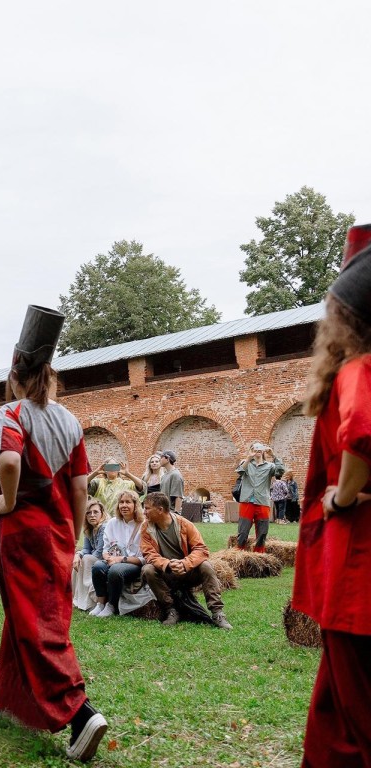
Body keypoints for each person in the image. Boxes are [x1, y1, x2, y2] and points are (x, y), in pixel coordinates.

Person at [0, 305, 107, 762]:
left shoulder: (11, 414)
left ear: (16, 373)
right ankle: (8, 698)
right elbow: (81, 486)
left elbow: (8, 462)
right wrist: (70, 532)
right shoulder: (71, 421)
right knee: (25, 614)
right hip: (57, 533)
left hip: (23, 533)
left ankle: (81, 714)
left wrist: (7, 502)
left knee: (36, 622)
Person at [292, 229, 371, 767]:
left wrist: (341, 499)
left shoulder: (358, 369)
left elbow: (361, 432)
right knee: (333, 709)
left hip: (358, 567)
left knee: (357, 714)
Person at [140, 492, 232, 630]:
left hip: (187, 571)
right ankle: (171, 610)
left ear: (160, 510)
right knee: (147, 569)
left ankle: (217, 612)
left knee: (206, 566)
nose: (144, 512)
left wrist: (185, 564)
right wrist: (168, 564)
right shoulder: (146, 528)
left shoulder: (184, 524)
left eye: (147, 508)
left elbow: (201, 549)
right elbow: (149, 554)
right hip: (166, 573)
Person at [88, 490, 153, 618]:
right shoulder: (112, 523)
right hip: (113, 559)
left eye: (128, 502)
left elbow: (144, 559)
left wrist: (120, 559)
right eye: (121, 502)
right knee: (97, 566)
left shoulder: (144, 525)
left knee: (116, 571)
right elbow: (106, 549)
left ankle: (111, 605)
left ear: (135, 505)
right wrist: (108, 557)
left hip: (133, 563)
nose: (124, 505)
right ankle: (100, 603)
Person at [235, 443, 285, 552]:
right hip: (247, 502)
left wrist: (274, 456)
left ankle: (259, 555)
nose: (258, 450)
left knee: (262, 533)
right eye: (255, 448)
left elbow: (280, 471)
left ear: (263, 451)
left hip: (262, 502)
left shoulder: (270, 466)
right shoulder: (246, 463)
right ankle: (238, 554)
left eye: (260, 448)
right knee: (243, 531)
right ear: (251, 450)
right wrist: (248, 458)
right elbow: (239, 472)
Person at [72, 500, 107, 611]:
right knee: (77, 561)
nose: (92, 515)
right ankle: (76, 598)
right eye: (88, 513)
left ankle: (91, 600)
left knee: (85, 559)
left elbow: (99, 552)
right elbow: (86, 549)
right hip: (94, 557)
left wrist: (83, 556)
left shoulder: (104, 527)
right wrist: (78, 555)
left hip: (105, 558)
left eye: (95, 512)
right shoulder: (89, 528)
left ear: (102, 513)